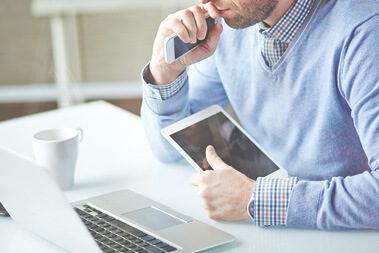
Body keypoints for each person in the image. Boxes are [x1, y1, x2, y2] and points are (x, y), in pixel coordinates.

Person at [140, 0, 379, 230]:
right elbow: (170, 149)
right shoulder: (231, 26)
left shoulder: (367, 31)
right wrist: (164, 71)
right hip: (273, 231)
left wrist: (253, 198)